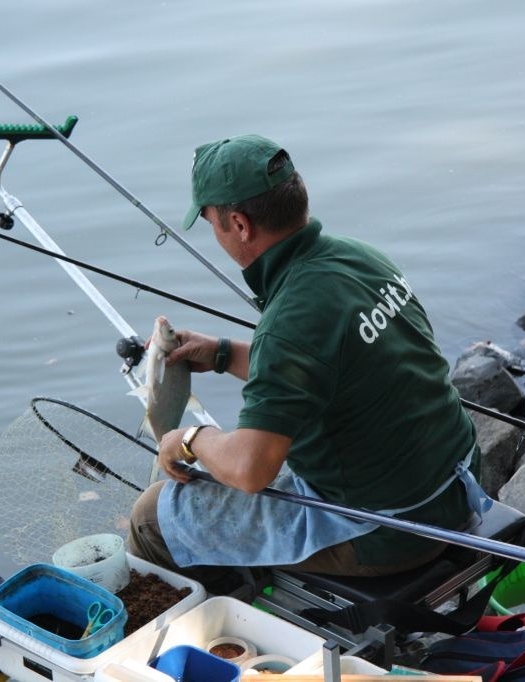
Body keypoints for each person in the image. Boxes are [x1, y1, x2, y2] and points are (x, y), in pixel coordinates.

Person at [127, 134, 483, 593]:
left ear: (238, 224)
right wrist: (222, 354)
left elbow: (252, 470)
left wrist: (191, 438)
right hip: (454, 482)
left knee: (154, 517)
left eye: (211, 222)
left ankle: (201, 641)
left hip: (389, 530)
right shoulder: (360, 258)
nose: (214, 234)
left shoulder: (290, 322)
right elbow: (329, 365)